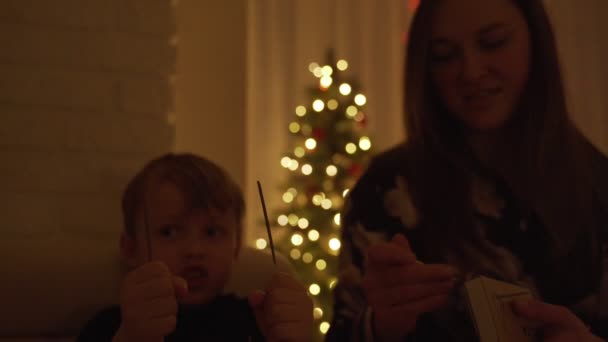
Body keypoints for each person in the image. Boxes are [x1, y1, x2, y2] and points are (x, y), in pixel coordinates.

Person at [326, 0, 608, 341]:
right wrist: (382, 324)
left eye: (493, 42)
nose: (471, 71)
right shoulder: (386, 189)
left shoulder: (596, 183)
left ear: (536, 41)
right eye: (444, 55)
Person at [77, 153, 313, 341]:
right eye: (169, 232)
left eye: (212, 232)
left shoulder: (263, 320)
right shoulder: (111, 326)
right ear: (130, 249)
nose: (194, 250)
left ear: (236, 247)